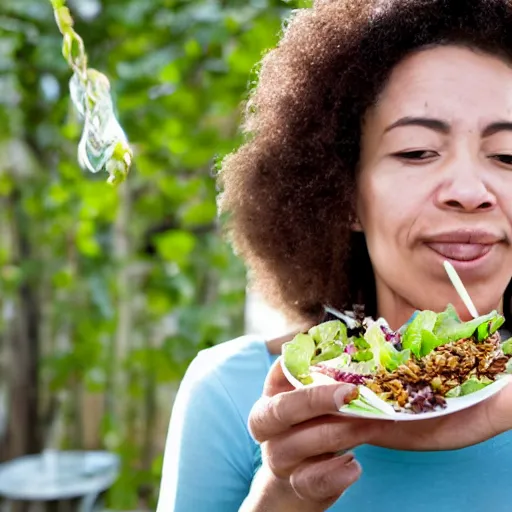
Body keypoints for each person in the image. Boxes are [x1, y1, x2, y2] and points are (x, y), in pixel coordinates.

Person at [156, 1, 512, 511]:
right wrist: (278, 499)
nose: (468, 190)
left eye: (507, 155)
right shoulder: (233, 392)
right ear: (343, 196)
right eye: (415, 151)